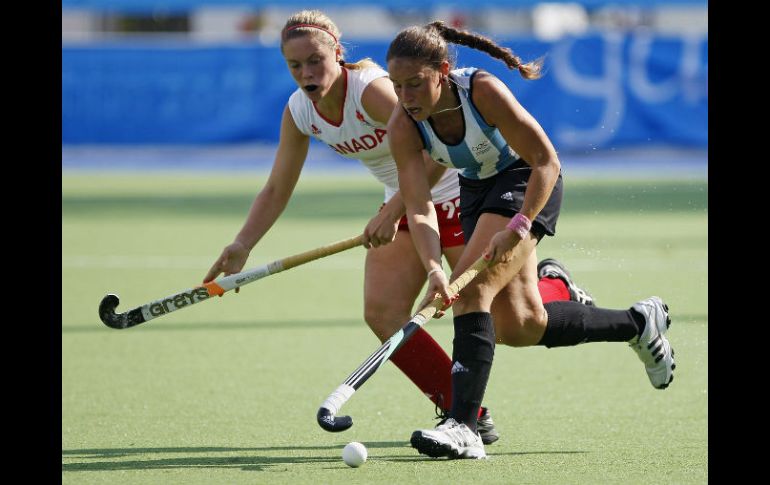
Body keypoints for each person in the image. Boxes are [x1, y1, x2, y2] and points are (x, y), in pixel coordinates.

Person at [202, 10, 594, 447]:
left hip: (456, 191)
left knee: (514, 324)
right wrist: (243, 243)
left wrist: (393, 210)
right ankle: (463, 411)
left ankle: (555, 287)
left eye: (315, 60)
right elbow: (277, 187)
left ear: (337, 52)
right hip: (408, 201)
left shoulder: (372, 91)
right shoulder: (299, 112)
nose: (307, 73)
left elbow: (434, 145)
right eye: (295, 65)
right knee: (383, 311)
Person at [385, 21, 676, 460]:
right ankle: (637, 323)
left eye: (415, 84)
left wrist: (520, 225)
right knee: (519, 325)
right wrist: (432, 268)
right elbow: (420, 206)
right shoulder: (403, 125)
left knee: (471, 292)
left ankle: (464, 427)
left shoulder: (482, 92)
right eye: (397, 86)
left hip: (526, 180)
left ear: (442, 71)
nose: (406, 97)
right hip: (476, 191)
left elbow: (546, 161)